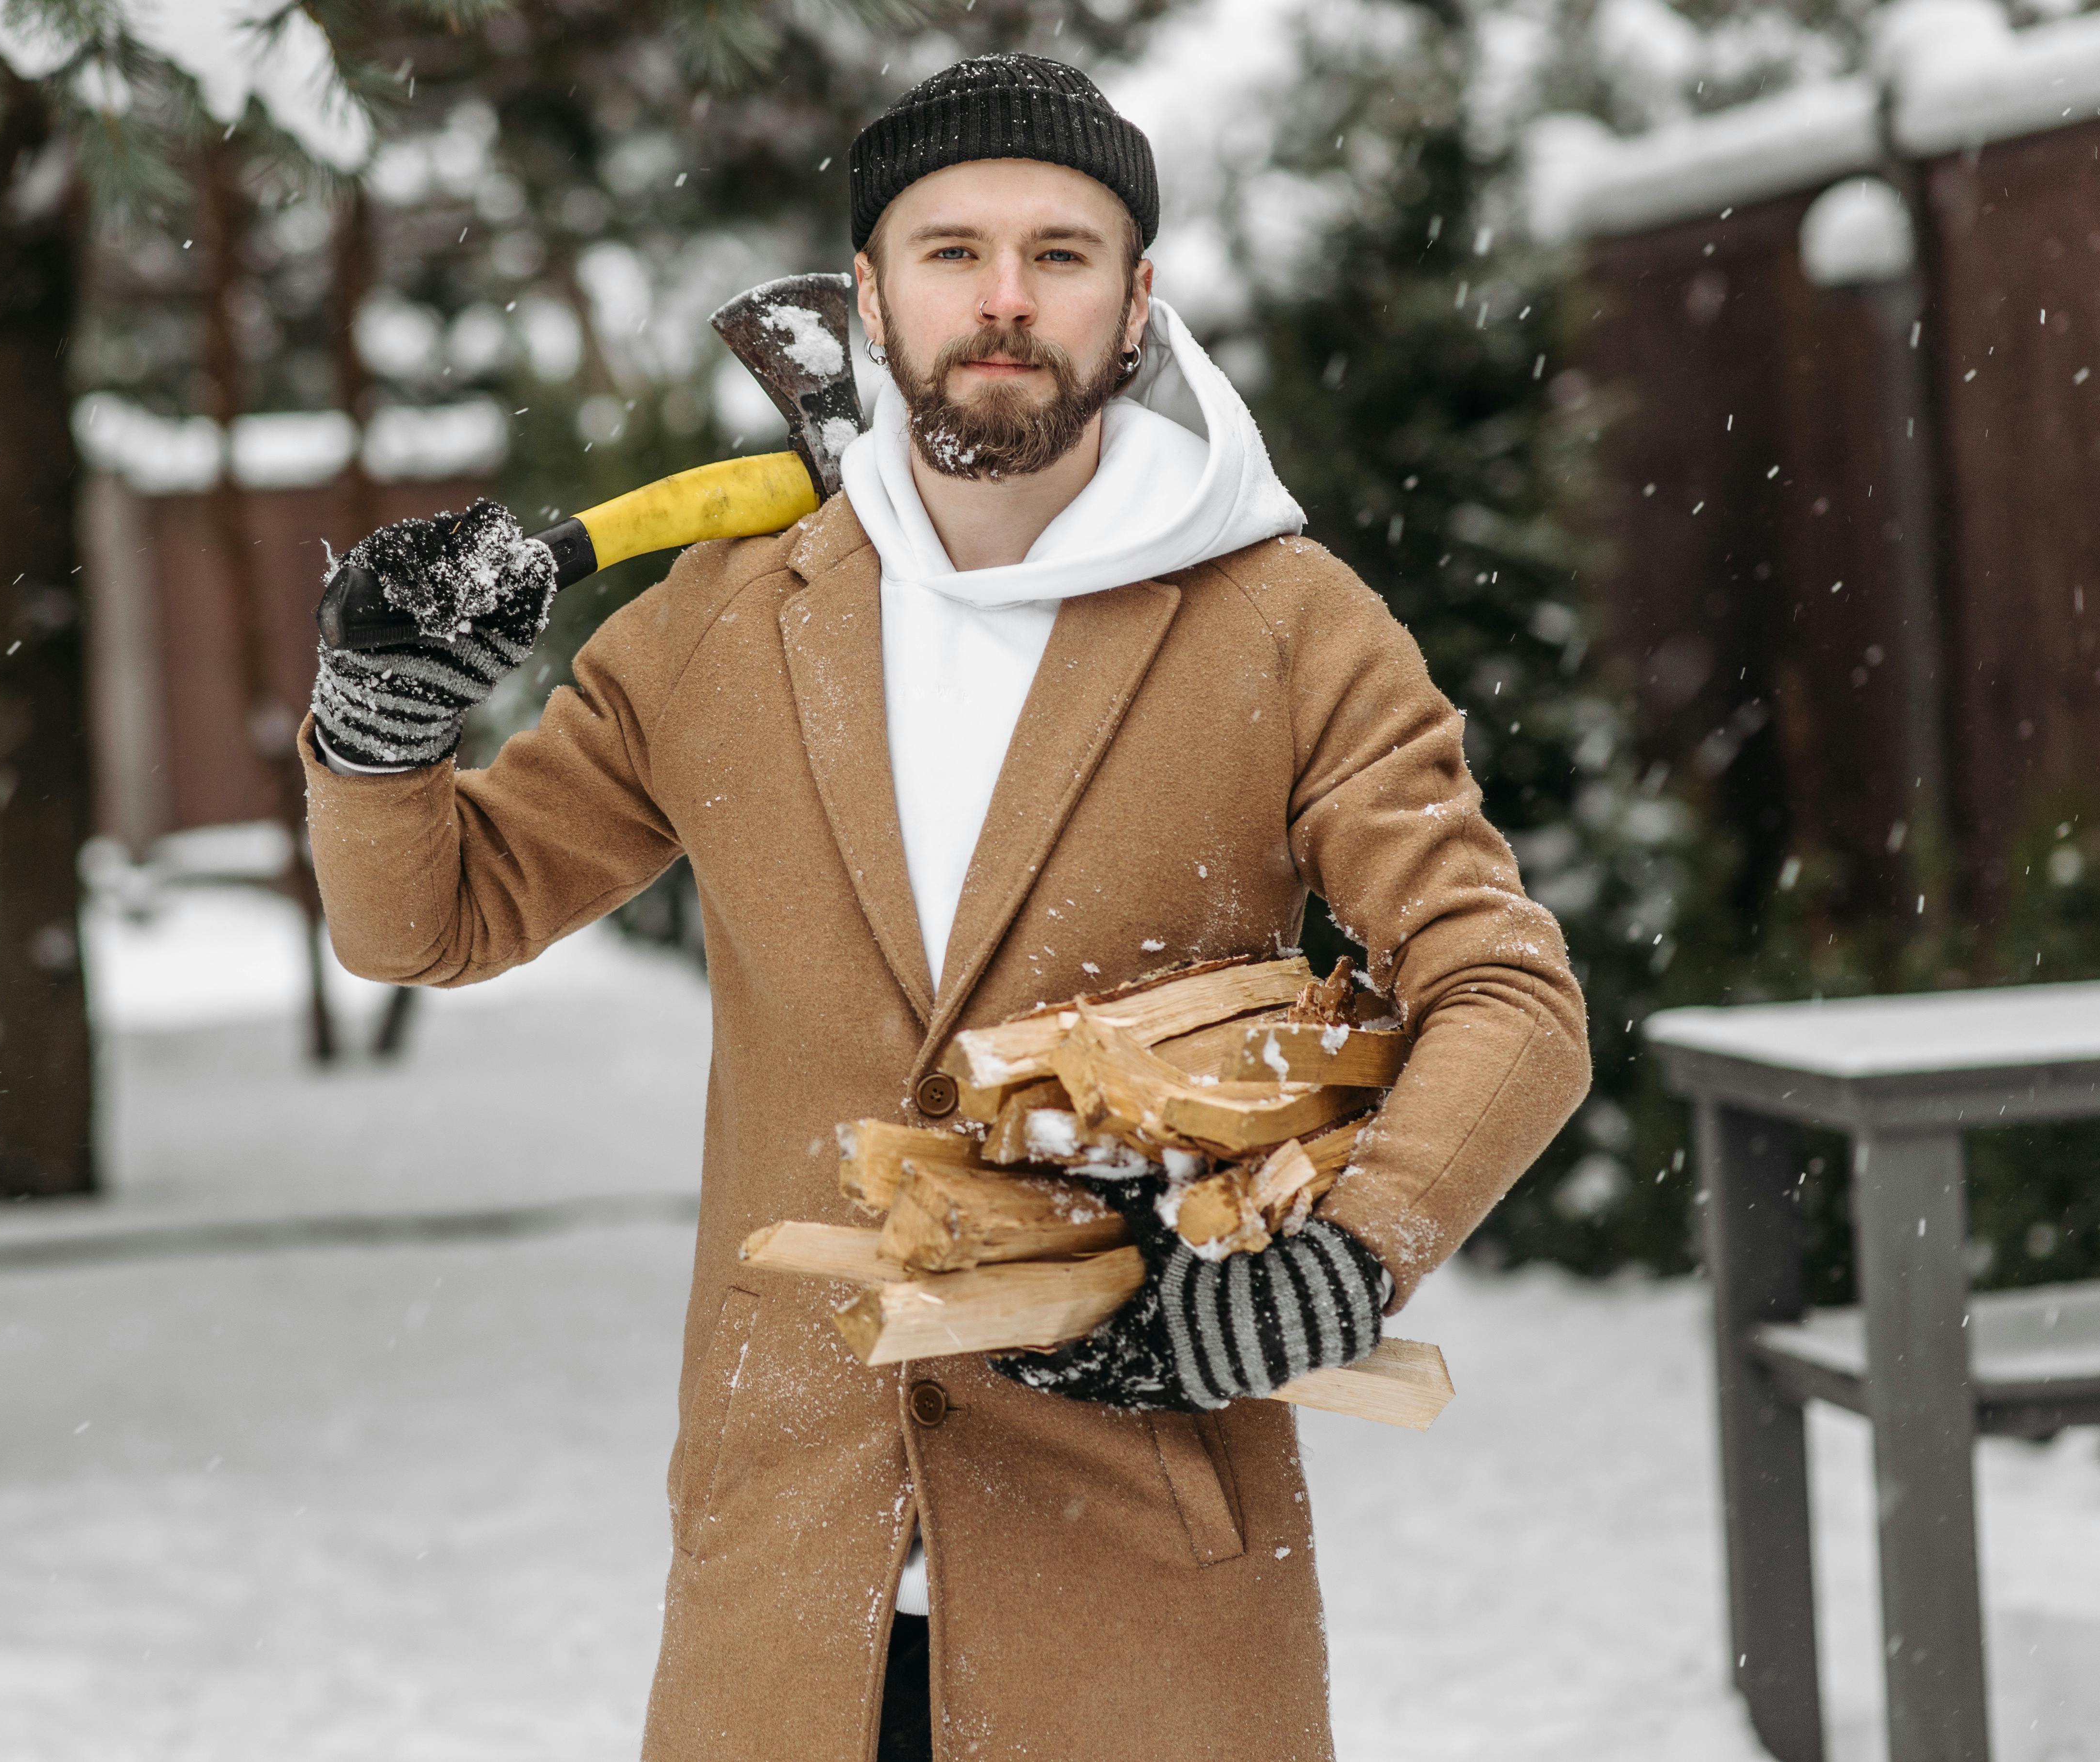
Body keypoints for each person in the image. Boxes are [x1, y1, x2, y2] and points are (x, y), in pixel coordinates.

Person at [299, 53, 1589, 1762]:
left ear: (1137, 308)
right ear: (867, 295)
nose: (1002, 299)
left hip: (1138, 1564)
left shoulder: (1286, 624)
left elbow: (1507, 992)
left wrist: (1351, 1257)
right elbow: (436, 922)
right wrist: (376, 735)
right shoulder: (725, 625)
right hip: (789, 1566)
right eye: (947, 249)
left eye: (1061, 254)